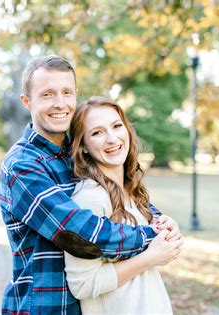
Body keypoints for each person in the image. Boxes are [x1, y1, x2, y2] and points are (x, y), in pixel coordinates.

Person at [0, 55, 173, 314]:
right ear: (27, 101)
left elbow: (117, 188)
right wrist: (151, 237)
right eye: (47, 94)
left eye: (66, 92)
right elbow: (78, 232)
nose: (60, 103)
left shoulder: (79, 148)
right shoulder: (22, 166)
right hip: (45, 307)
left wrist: (158, 219)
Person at [64, 96, 183, 314]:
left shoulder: (130, 190)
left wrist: (166, 229)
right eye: (97, 132)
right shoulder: (90, 197)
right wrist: (150, 258)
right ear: (84, 147)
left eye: (117, 126)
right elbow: (82, 284)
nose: (112, 138)